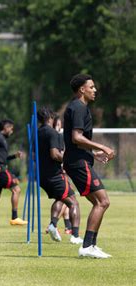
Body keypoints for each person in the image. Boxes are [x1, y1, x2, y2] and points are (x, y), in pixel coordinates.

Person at [64, 74, 114, 259]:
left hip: (79, 160)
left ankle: (91, 245)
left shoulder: (80, 107)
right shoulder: (78, 107)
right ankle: (86, 246)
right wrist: (102, 146)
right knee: (103, 201)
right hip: (78, 163)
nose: (95, 90)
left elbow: (75, 142)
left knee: (98, 203)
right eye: (91, 87)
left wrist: (94, 154)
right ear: (82, 90)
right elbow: (76, 138)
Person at [37, 107, 82, 244]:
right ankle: (74, 235)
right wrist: (70, 160)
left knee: (60, 198)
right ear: (51, 117)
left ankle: (53, 225)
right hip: (54, 174)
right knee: (73, 202)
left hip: (42, 176)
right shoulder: (53, 133)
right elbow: (55, 154)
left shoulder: (37, 133)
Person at [52, 114, 72, 235]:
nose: (60, 127)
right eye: (59, 124)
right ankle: (52, 224)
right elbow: (60, 154)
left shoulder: (53, 136)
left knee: (65, 197)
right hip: (60, 170)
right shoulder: (57, 136)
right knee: (66, 198)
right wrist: (64, 166)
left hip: (56, 171)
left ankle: (67, 227)